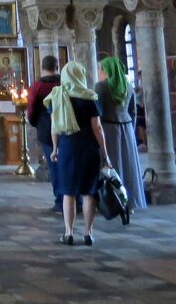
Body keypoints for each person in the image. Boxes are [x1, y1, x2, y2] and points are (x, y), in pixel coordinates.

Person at [46, 61, 111, 245]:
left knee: (69, 192)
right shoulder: (89, 97)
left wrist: (55, 148)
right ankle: (88, 233)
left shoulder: (57, 96)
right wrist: (105, 153)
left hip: (67, 146)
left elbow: (55, 126)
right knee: (89, 192)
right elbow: (97, 127)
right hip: (88, 147)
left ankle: (68, 232)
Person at [95, 56, 147, 210]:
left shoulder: (101, 87)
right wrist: (131, 129)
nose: (100, 72)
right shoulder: (128, 86)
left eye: (101, 69)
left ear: (107, 70)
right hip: (126, 129)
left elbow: (98, 111)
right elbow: (133, 111)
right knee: (128, 164)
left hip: (108, 129)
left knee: (111, 163)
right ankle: (129, 199)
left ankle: (111, 201)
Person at [27, 55, 64, 212]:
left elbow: (31, 110)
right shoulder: (64, 83)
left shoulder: (37, 86)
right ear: (57, 67)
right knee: (69, 164)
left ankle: (61, 201)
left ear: (42, 67)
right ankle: (77, 200)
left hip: (47, 130)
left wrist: (37, 123)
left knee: (54, 166)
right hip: (68, 128)